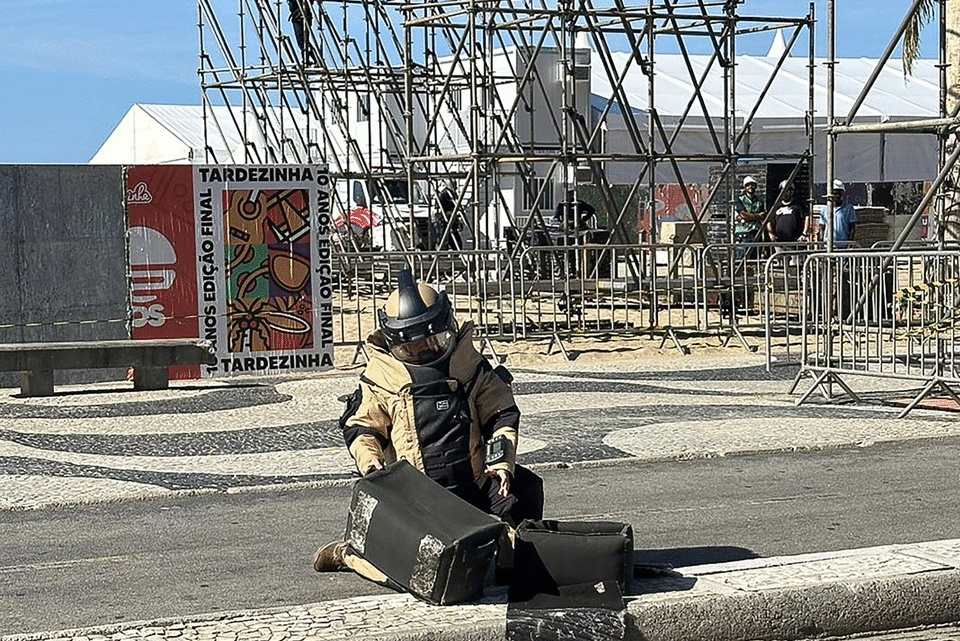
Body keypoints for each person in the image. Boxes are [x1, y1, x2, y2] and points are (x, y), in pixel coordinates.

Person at [312, 270, 544, 578]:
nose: (424, 350)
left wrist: (501, 462)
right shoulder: (381, 377)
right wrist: (372, 465)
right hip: (417, 497)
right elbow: (363, 429)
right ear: (394, 342)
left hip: (474, 482)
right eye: (412, 347)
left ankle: (507, 552)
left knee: (526, 506)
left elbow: (500, 414)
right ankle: (350, 554)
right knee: (413, 572)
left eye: (432, 342)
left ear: (448, 327)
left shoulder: (470, 365)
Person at [767, 180, 809, 251]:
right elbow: (769, 220)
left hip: (795, 242)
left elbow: (807, 218)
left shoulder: (798, 205)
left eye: (788, 190)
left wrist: (804, 234)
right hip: (779, 242)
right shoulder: (775, 206)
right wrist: (771, 234)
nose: (785, 193)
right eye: (783, 191)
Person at [734, 176, 765, 261]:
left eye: (752, 185)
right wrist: (757, 216)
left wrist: (749, 216)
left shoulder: (759, 201)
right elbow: (743, 214)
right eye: (748, 185)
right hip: (744, 233)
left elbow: (763, 216)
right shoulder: (740, 199)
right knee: (741, 260)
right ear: (744, 187)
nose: (750, 187)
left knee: (755, 260)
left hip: (756, 233)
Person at [819, 179, 857, 248]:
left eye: (838, 193)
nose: (836, 196)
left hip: (843, 245)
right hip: (827, 245)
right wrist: (821, 243)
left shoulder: (848, 208)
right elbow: (822, 228)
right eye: (834, 193)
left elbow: (852, 228)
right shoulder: (825, 209)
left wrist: (850, 244)